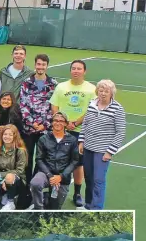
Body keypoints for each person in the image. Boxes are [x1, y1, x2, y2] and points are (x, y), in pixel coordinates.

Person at [50, 59, 96, 207]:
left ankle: (77, 193)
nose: (76, 71)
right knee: (57, 160)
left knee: (77, 164)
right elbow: (54, 106)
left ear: (84, 71)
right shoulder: (61, 87)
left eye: (79, 68)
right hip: (61, 131)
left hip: (80, 132)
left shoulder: (91, 89)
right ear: (70, 70)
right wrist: (61, 123)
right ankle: (54, 188)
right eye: (73, 68)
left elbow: (92, 110)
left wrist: (75, 123)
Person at [78, 80, 126, 210]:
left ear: (111, 93)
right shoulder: (91, 104)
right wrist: (81, 141)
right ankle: (88, 205)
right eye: (101, 90)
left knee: (98, 180)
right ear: (97, 91)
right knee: (88, 178)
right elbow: (86, 124)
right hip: (88, 147)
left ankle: (97, 208)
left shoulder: (117, 108)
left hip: (102, 151)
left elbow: (120, 132)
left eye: (106, 91)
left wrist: (110, 152)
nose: (103, 93)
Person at [18, 54, 58, 186]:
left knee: (41, 159)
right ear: (35, 65)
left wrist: (44, 125)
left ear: (47, 66)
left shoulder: (53, 84)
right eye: (38, 64)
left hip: (45, 130)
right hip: (28, 129)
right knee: (27, 158)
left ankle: (35, 184)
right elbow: (23, 105)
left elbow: (54, 107)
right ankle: (25, 185)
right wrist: (33, 123)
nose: (40, 67)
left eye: (43, 64)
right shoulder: (26, 82)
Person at [30, 112, 80, 210]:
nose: (58, 123)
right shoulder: (43, 139)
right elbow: (39, 159)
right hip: (46, 173)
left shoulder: (72, 140)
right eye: (56, 120)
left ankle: (47, 197)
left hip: (62, 176)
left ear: (66, 124)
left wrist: (61, 176)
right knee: (35, 183)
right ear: (52, 123)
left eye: (61, 121)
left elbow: (75, 161)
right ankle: (38, 209)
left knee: (55, 208)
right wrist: (50, 175)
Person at [0, 125, 28, 210]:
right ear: (2, 135)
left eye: (10, 134)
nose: (7, 137)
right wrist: (1, 180)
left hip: (18, 180)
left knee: (9, 177)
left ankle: (11, 202)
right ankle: (6, 193)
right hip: (0, 178)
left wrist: (2, 176)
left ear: (15, 136)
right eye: (5, 134)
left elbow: (19, 170)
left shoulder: (20, 151)